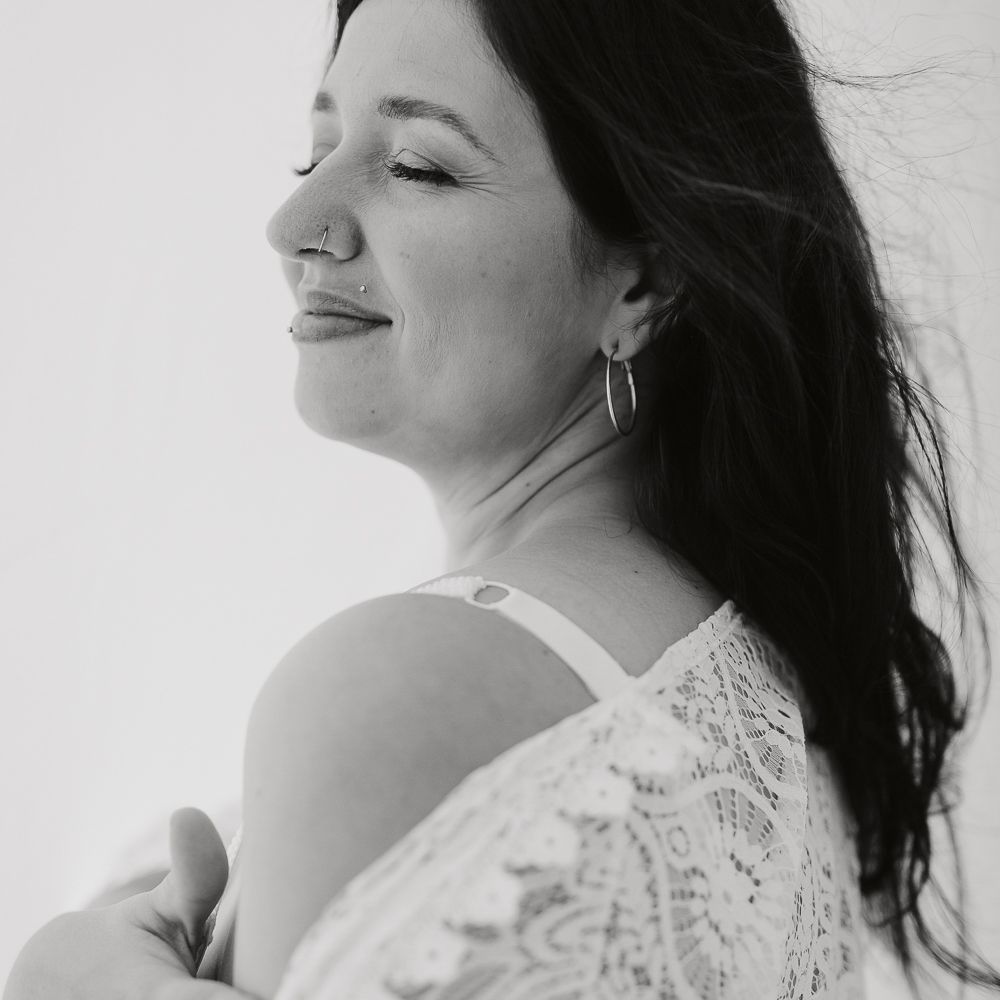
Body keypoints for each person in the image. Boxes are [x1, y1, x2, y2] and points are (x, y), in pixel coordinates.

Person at [6, 0, 998, 998]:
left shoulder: (397, 689)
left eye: (417, 166)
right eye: (317, 151)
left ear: (645, 280)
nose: (292, 226)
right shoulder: (755, 696)